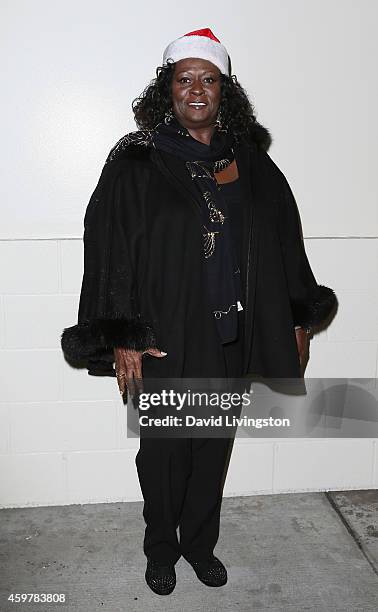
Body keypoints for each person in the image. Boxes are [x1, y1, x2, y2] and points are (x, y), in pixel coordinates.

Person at [61, 28, 337, 596]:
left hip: (229, 334)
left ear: (223, 91)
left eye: (207, 79)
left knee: (212, 451)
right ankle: (161, 549)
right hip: (164, 335)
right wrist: (124, 335)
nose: (196, 90)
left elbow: (285, 241)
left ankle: (200, 547)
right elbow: (108, 249)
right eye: (184, 79)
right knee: (164, 456)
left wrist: (296, 317)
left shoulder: (252, 164)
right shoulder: (136, 163)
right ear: (167, 90)